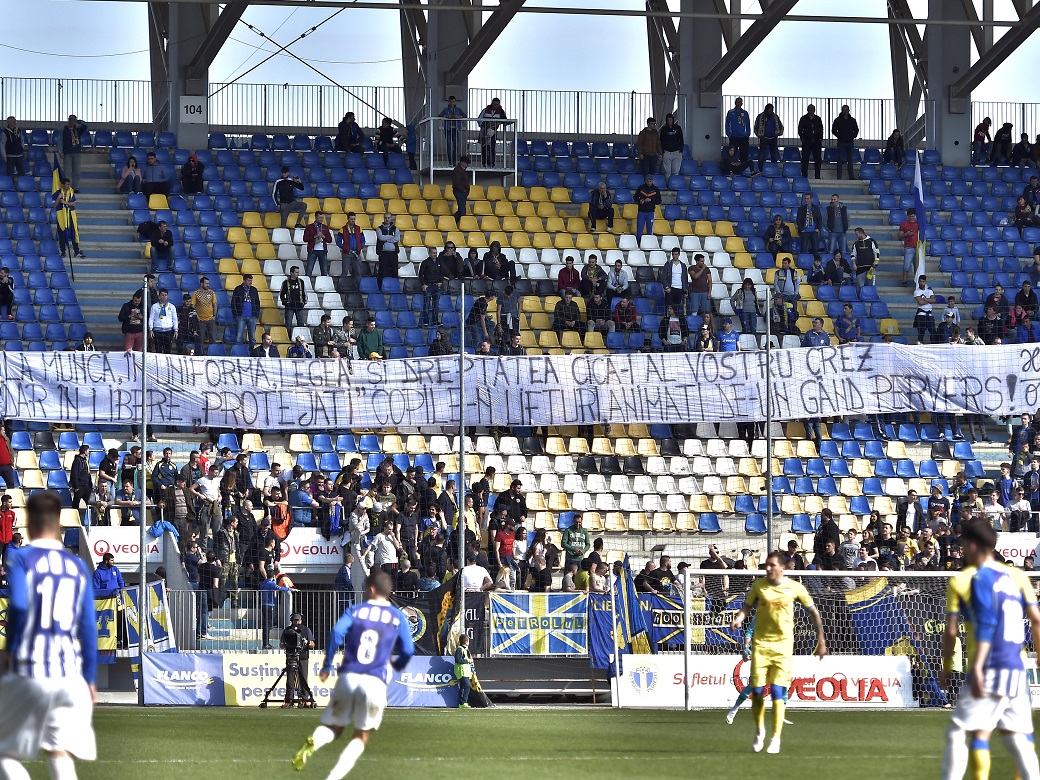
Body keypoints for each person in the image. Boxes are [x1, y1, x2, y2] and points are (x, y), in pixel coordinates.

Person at [0, 491, 98, 778]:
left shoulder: (19, 558)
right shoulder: (76, 565)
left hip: (29, 669)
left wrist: (9, 649)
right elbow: (88, 627)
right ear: (59, 524)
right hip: (69, 674)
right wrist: (90, 679)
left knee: (5, 753)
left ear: (28, 522)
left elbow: (17, 604)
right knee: (58, 751)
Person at [940, 520, 1040, 780]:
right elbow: (1036, 619)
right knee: (1017, 737)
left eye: (962, 543)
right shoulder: (1016, 575)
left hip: (988, 666)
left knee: (959, 730)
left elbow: (955, 630)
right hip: (1016, 668)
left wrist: (948, 666)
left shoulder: (967, 580)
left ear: (971, 545)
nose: (961, 549)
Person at [292, 571, 414, 777]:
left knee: (334, 727)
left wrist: (327, 665)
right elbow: (408, 650)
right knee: (361, 735)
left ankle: (317, 739)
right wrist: (398, 664)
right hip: (375, 680)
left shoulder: (356, 611)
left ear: (372, 589)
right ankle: (333, 777)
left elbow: (337, 633)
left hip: (348, 677)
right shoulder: (397, 616)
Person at [729, 551, 827, 755]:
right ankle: (759, 730)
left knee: (777, 692)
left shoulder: (795, 587)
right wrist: (739, 618)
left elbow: (814, 612)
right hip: (761, 646)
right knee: (757, 692)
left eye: (772, 565)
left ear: (782, 567)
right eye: (767, 565)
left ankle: (775, 738)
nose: (768, 568)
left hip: (783, 647)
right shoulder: (759, 586)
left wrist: (821, 640)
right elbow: (747, 607)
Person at [280, 612, 316, 708]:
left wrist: (307, 643)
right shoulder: (287, 631)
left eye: (298, 620)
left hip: (303, 657)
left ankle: (305, 699)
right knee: (290, 679)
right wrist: (287, 644)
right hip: (291, 656)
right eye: (294, 620)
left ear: (301, 620)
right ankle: (289, 700)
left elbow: (312, 644)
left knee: (303, 678)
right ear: (291, 620)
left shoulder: (306, 630)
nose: (296, 622)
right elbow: (281, 644)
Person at [52, 177, 84, 259]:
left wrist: (65, 202)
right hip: (61, 216)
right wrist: (59, 198)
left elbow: (74, 203)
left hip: (70, 215)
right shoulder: (57, 192)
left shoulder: (71, 191)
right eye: (67, 184)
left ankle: (76, 251)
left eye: (69, 184)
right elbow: (54, 205)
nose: (68, 186)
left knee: (74, 233)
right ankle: (63, 251)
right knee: (62, 234)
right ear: (62, 185)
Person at [55, 114, 87, 190]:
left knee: (77, 171)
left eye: (73, 119)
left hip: (76, 152)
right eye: (70, 119)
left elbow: (86, 125)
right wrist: (60, 151)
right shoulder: (64, 130)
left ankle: (76, 187)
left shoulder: (78, 129)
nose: (71, 121)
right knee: (67, 172)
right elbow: (60, 141)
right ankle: (67, 187)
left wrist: (79, 121)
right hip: (67, 153)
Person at [232, 274, 261, 346]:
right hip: (240, 316)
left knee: (252, 338)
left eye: (251, 281)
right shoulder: (238, 289)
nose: (250, 282)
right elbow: (233, 302)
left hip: (252, 316)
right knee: (239, 337)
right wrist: (236, 314)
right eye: (249, 281)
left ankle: (251, 353)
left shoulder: (254, 290)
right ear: (244, 281)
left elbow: (257, 302)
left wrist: (256, 314)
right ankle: (238, 352)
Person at [477, 97, 507, 166]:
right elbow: (479, 119)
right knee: (484, 147)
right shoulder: (485, 110)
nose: (495, 106)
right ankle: (484, 163)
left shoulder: (501, 112)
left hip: (493, 131)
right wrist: (483, 126)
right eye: (494, 104)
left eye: (497, 104)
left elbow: (505, 120)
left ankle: (491, 163)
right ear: (492, 103)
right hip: (484, 131)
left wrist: (498, 123)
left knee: (492, 147)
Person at [831, 104, 859, 179]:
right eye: (843, 110)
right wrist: (840, 136)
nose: (845, 111)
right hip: (841, 142)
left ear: (848, 111)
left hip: (850, 142)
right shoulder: (837, 120)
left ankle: (851, 176)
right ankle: (839, 176)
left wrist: (853, 136)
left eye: (846, 110)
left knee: (850, 160)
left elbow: (856, 129)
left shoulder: (852, 120)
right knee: (840, 160)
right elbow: (833, 130)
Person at [797, 104, 823, 179]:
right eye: (810, 109)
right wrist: (803, 138)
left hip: (816, 141)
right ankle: (804, 175)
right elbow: (800, 129)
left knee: (818, 159)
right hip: (806, 141)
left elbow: (821, 129)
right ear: (807, 110)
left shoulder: (818, 119)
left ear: (814, 110)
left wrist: (820, 138)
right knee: (805, 159)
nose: (811, 110)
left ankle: (817, 176)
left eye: (812, 109)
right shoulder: (803, 118)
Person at [375, 214, 402, 286]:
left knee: (394, 271)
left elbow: (397, 239)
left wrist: (386, 238)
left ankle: (395, 287)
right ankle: (380, 287)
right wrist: (391, 237)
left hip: (393, 253)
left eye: (388, 218)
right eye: (386, 218)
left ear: (391, 219)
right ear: (384, 218)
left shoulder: (395, 228)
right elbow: (380, 237)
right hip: (383, 253)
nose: (387, 219)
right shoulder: (379, 228)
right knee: (382, 272)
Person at [303, 211, 333, 277]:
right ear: (316, 217)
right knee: (309, 270)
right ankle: (307, 285)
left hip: (323, 250)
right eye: (320, 218)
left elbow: (330, 240)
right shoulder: (309, 227)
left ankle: (324, 286)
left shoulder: (325, 227)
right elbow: (305, 239)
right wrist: (315, 236)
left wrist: (323, 236)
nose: (321, 219)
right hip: (312, 250)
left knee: (324, 271)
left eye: (322, 218)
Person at [754, 103, 783, 169]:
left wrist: (778, 133)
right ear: (766, 110)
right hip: (764, 138)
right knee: (761, 156)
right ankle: (760, 169)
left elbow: (781, 126)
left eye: (772, 110)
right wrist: (759, 135)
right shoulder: (760, 116)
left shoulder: (775, 117)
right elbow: (756, 127)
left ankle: (774, 169)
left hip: (773, 138)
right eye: (770, 110)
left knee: (774, 156)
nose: (771, 111)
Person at [633, 174, 661, 243]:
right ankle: (638, 244)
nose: (649, 182)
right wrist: (640, 200)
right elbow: (635, 197)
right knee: (639, 230)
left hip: (650, 212)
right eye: (647, 181)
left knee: (650, 230)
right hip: (641, 211)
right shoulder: (641, 188)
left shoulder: (655, 189)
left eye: (650, 181)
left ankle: (649, 244)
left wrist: (651, 200)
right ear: (645, 181)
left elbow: (659, 201)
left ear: (652, 181)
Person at [725, 97, 752, 168]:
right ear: (735, 103)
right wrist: (729, 134)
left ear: (742, 104)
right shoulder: (731, 112)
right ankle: (732, 169)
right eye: (737, 102)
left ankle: (743, 168)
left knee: (744, 155)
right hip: (734, 137)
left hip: (743, 137)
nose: (739, 104)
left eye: (740, 102)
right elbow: (727, 124)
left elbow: (748, 124)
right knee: (732, 154)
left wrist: (747, 134)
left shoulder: (745, 113)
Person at [439, 95, 466, 165]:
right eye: (451, 101)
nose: (452, 103)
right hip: (448, 129)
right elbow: (439, 116)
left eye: (453, 101)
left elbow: (465, 115)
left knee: (456, 145)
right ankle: (450, 161)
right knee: (449, 145)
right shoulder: (446, 109)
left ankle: (454, 161)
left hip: (455, 128)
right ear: (448, 102)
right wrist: (446, 116)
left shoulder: (458, 109)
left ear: (455, 102)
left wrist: (459, 116)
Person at [897, 208, 920, 287]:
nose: (911, 218)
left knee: (917, 266)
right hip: (909, 246)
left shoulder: (918, 224)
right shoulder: (904, 224)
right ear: (907, 216)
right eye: (910, 216)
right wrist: (906, 234)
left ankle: (917, 281)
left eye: (913, 216)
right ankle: (904, 280)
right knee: (906, 265)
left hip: (917, 246)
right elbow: (899, 236)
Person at [913, 274, 937, 344]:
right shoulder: (916, 292)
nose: (921, 283)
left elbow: (934, 300)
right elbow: (920, 302)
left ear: (925, 282)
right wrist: (929, 300)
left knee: (933, 331)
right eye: (920, 281)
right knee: (921, 332)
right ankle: (920, 345)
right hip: (921, 314)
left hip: (929, 314)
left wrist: (925, 299)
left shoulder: (929, 291)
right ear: (918, 282)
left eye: (923, 281)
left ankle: (933, 344)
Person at [453, 633, 474, 709]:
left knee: (463, 687)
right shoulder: (460, 649)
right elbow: (458, 660)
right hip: (462, 672)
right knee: (467, 686)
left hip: (466, 671)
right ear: (466, 641)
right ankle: (464, 701)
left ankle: (461, 703)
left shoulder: (466, 649)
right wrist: (467, 660)